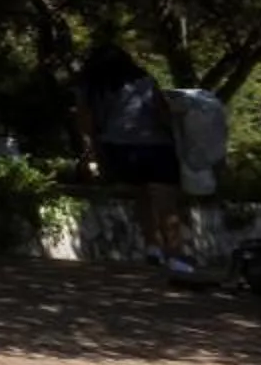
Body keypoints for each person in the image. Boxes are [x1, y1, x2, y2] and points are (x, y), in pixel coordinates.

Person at [77, 44, 193, 280]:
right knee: (166, 202)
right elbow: (162, 113)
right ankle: (176, 257)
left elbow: (85, 122)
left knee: (142, 196)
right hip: (155, 147)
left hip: (117, 149)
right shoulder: (143, 81)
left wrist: (94, 152)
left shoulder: (90, 88)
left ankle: (152, 248)